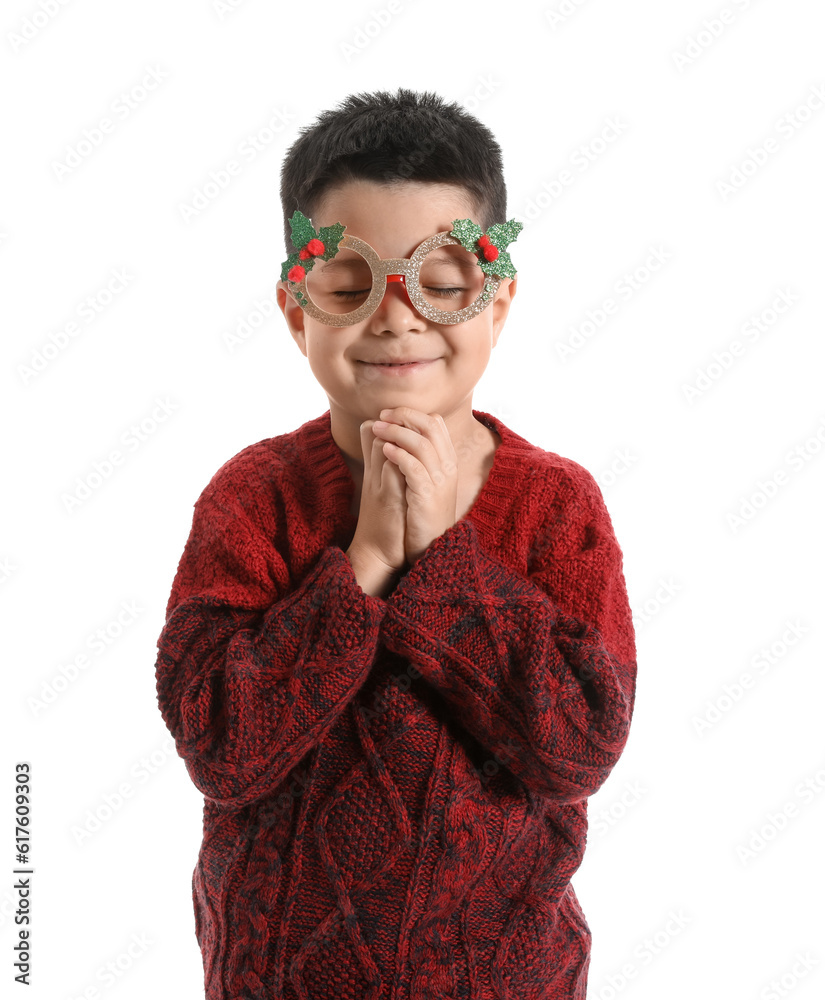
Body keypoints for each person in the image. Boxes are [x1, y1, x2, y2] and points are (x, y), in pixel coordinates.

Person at [155, 88, 637, 1000]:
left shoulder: (554, 505)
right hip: (275, 976)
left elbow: (578, 748)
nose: (397, 316)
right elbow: (220, 745)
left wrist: (444, 559)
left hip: (502, 976)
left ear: (495, 304)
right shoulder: (253, 498)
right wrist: (368, 559)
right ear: (300, 310)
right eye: (351, 286)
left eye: (442, 284)